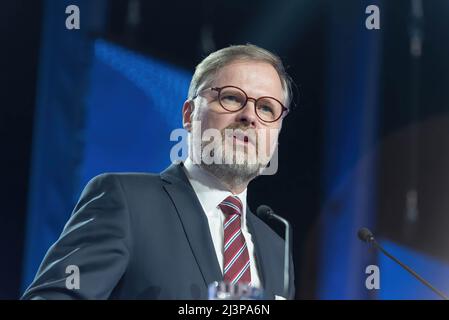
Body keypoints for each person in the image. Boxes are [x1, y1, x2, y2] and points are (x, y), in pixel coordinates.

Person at [22, 44, 295, 300]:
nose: (249, 116)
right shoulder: (127, 203)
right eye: (232, 98)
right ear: (189, 115)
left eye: (266, 108)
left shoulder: (277, 248)